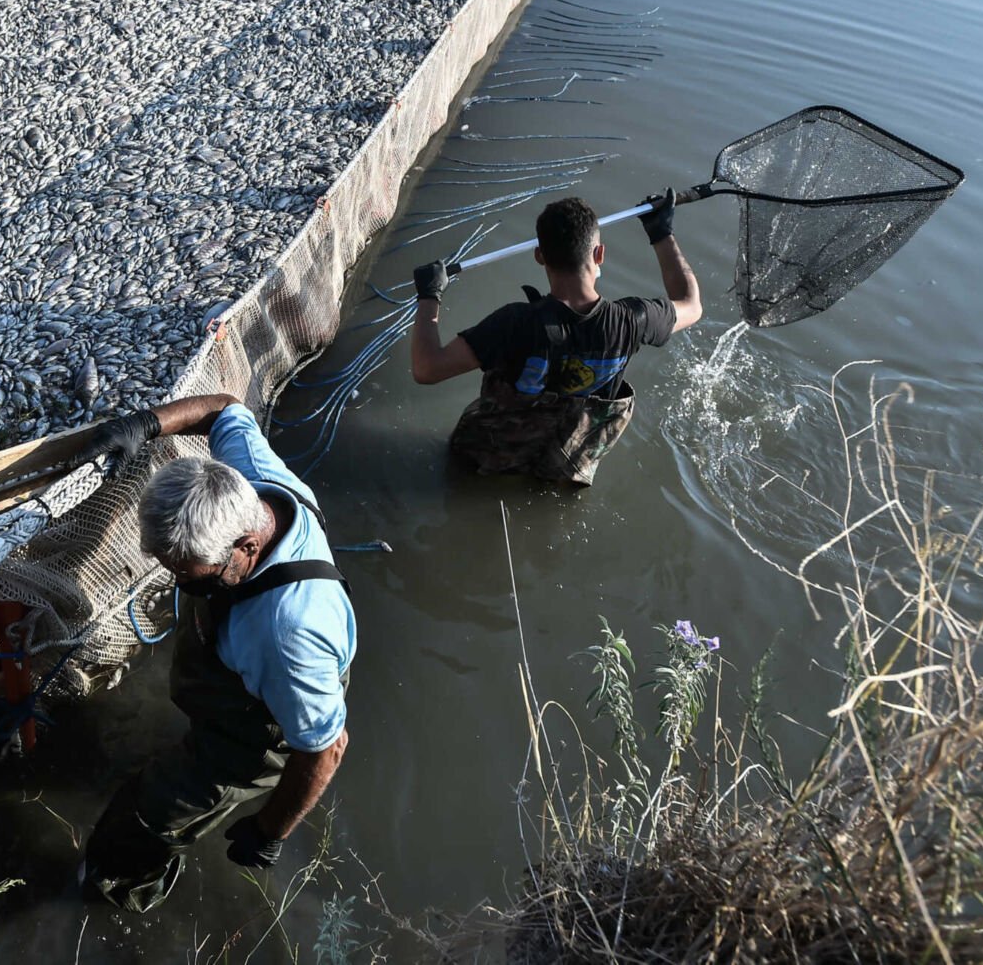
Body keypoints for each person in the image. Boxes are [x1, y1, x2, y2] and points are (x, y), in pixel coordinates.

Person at [79, 392, 354, 913]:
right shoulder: (247, 479)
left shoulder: (287, 635)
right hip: (237, 669)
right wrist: (145, 424)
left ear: (247, 546)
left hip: (257, 728)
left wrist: (270, 830)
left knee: (142, 822)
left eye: (187, 573)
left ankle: (119, 892)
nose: (177, 580)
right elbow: (225, 409)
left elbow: (325, 748)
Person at [408, 190, 702, 485]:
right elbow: (690, 303)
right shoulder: (632, 321)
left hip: (485, 462)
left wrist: (429, 296)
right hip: (564, 471)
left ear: (539, 256)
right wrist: (661, 233)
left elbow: (427, 369)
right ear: (600, 254)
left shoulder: (514, 323)